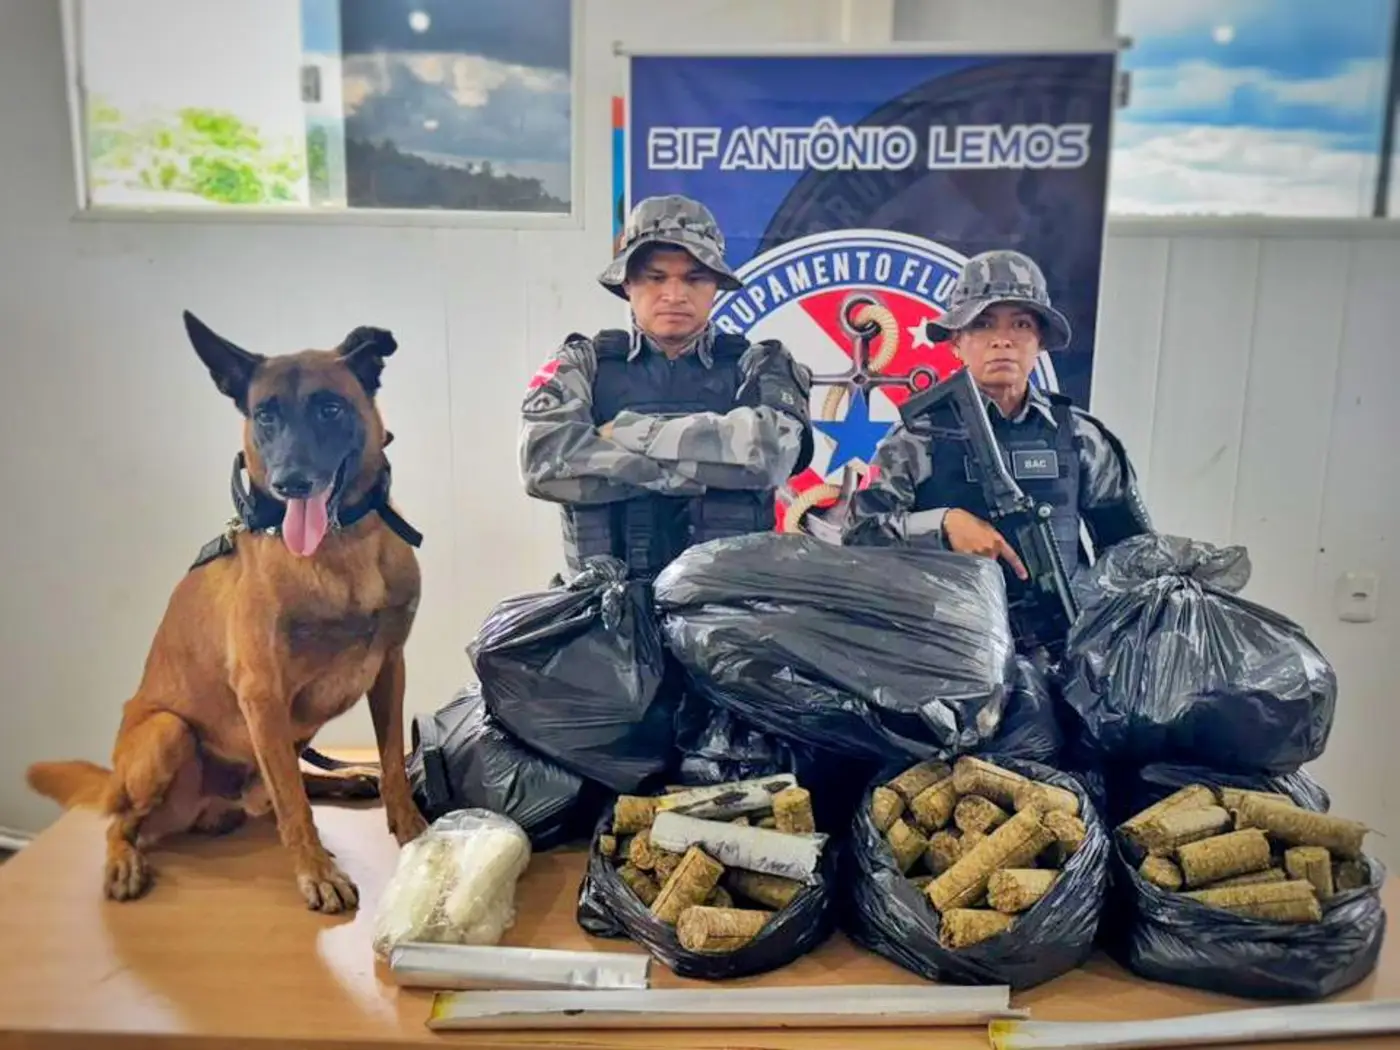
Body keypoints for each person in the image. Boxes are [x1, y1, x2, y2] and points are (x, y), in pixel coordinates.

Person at [841, 248, 1153, 649]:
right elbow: (860, 535)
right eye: (983, 324)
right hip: (948, 651)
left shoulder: (1081, 437)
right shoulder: (917, 437)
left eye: (1021, 324)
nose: (1002, 340)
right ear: (956, 342)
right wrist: (943, 525)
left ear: (1039, 341)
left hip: (1066, 651)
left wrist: (1096, 616)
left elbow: (1133, 553)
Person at [519, 194, 815, 581]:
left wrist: (626, 433)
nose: (674, 295)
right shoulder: (581, 363)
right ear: (628, 283)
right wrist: (713, 467)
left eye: (694, 278)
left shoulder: (759, 363)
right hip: (605, 603)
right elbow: (544, 463)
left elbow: (771, 455)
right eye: (656, 278)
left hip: (731, 603)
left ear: (715, 285)